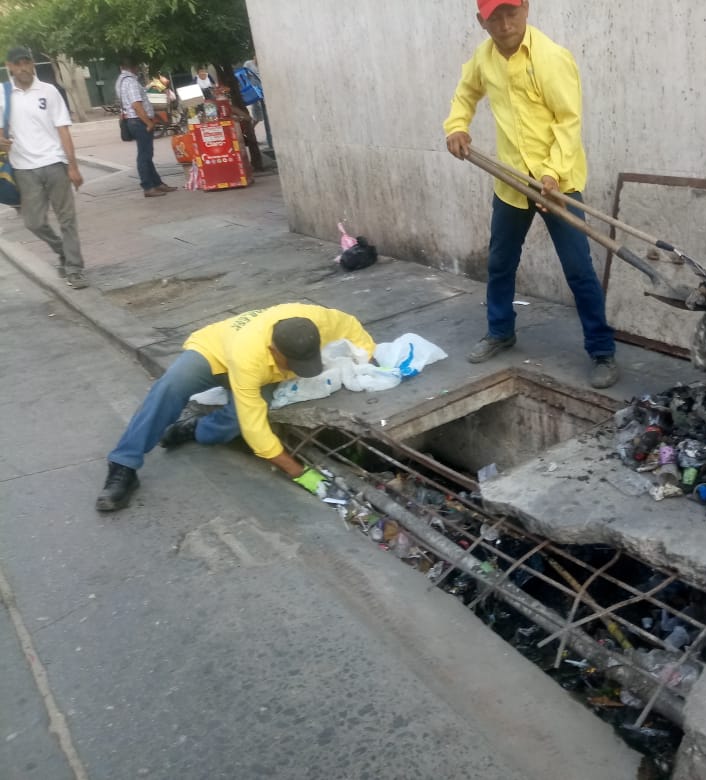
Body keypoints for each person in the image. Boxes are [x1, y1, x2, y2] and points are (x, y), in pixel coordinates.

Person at [444, 0, 620, 389]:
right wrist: (457, 126)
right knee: (500, 263)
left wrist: (552, 175)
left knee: (579, 269)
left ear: (526, 9)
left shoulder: (551, 57)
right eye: (495, 17)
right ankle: (501, 330)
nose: (505, 24)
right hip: (511, 182)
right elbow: (465, 93)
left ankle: (602, 350)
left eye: (512, 12)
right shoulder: (483, 59)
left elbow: (568, 122)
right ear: (481, 21)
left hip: (558, 182)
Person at [95, 303, 376, 512]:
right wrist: (301, 474)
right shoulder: (250, 355)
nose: (299, 370)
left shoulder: (317, 321)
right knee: (170, 386)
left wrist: (368, 358)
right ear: (273, 350)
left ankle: (194, 429)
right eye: (293, 364)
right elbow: (257, 432)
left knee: (233, 423)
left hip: (257, 369)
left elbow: (351, 326)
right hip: (214, 352)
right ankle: (123, 465)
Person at [0, 46, 88, 289]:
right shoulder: (3, 94)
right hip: (23, 168)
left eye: (27, 62)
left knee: (67, 219)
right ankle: (63, 251)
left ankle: (75, 269)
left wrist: (73, 166)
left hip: (55, 164)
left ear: (32, 64)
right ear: (9, 66)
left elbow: (63, 129)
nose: (23, 68)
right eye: (17, 64)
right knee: (33, 222)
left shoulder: (49, 91)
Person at [116, 59, 176, 198]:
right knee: (144, 155)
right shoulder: (130, 82)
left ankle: (157, 183)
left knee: (146, 154)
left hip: (133, 121)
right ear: (133, 66)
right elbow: (136, 105)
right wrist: (148, 122)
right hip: (138, 121)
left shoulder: (121, 80)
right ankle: (148, 186)